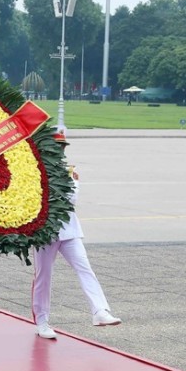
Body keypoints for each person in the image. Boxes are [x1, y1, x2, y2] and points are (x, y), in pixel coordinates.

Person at [32, 131, 122, 339]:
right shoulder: (34, 170)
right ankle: (42, 321)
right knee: (43, 278)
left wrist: (69, 181)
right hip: (44, 232)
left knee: (85, 268)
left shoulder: (69, 172)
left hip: (69, 230)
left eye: (63, 147)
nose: (61, 151)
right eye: (57, 147)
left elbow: (70, 200)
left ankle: (100, 311)